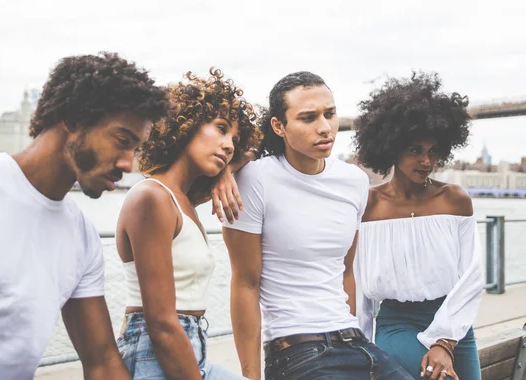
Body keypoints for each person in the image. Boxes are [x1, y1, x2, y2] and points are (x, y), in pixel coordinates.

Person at [0, 52, 170, 380]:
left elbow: (102, 362)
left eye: (136, 150)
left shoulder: (81, 234)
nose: (129, 164)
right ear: (72, 118)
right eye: (122, 140)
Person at [221, 71, 413, 380]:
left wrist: (358, 334)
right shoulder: (255, 179)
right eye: (308, 118)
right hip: (297, 350)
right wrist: (250, 378)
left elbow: (345, 271)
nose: (325, 128)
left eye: (330, 114)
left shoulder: (354, 181)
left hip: (356, 344)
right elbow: (245, 283)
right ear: (278, 126)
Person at [115, 68, 261, 379]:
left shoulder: (185, 201)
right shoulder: (152, 199)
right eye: (220, 129)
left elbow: (256, 147)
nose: (229, 145)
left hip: (191, 347)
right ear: (185, 125)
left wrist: (225, 171)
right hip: (155, 353)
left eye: (233, 138)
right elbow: (161, 324)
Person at [353, 72, 484, 380]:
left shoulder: (455, 200)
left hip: (455, 328)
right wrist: (360, 351)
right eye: (414, 150)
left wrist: (445, 340)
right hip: (397, 325)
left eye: (433, 151)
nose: (426, 160)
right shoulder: (366, 207)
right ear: (391, 147)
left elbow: (472, 276)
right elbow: (359, 288)